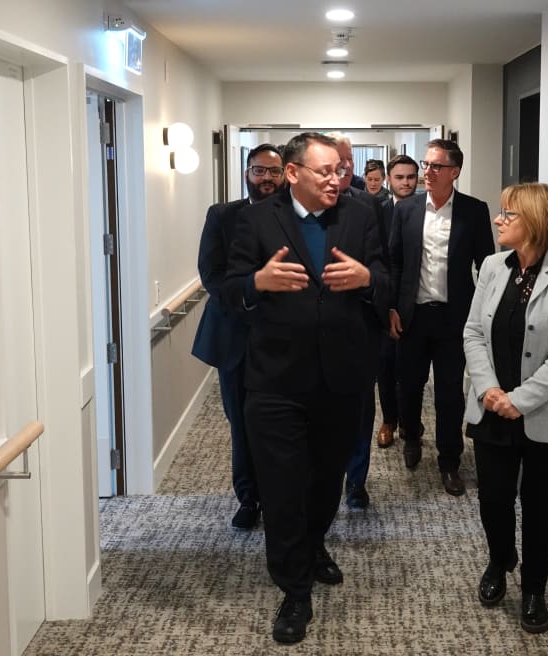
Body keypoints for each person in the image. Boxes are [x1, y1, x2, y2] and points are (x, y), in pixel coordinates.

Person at [223, 132, 388, 644]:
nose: (337, 179)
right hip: (275, 381)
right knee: (282, 485)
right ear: (292, 173)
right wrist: (257, 284)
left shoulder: (361, 215)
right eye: (324, 172)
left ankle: (315, 544)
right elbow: (227, 290)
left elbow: (387, 276)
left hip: (341, 377)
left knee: (325, 480)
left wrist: (366, 277)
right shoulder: (253, 219)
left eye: (339, 171)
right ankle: (294, 590)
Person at [462, 182, 548, 634]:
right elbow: (473, 332)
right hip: (491, 407)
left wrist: (519, 400)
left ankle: (534, 589)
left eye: (508, 214)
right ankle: (500, 561)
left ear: (534, 222)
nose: (498, 220)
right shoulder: (494, 267)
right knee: (493, 498)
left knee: (538, 504)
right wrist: (489, 390)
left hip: (547, 414)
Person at [388, 139, 494, 496]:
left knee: (450, 393)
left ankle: (449, 460)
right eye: (426, 164)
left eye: (435, 166)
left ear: (455, 172)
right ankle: (412, 436)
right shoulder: (406, 210)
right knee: (410, 384)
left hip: (455, 318)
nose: (426, 172)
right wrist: (392, 307)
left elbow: (487, 267)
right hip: (412, 315)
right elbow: (394, 261)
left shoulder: (473, 211)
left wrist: (480, 316)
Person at [191, 143, 285, 529]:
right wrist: (248, 303)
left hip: (284, 339)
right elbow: (210, 273)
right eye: (259, 170)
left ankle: (281, 496)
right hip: (234, 338)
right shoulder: (222, 215)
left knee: (282, 424)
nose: (266, 178)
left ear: (285, 175)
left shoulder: (296, 218)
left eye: (273, 172)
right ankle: (249, 499)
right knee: (241, 424)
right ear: (247, 173)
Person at [327, 135, 391, 511]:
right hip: (310, 337)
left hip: (358, 330)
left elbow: (383, 265)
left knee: (361, 413)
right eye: (338, 162)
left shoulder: (368, 206)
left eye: (349, 161)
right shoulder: (287, 212)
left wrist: (367, 278)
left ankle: (357, 482)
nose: (345, 168)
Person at [373, 154, 419, 448]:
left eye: (410, 177)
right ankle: (389, 420)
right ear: (389, 179)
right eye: (399, 177)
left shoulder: (427, 210)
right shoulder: (374, 209)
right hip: (383, 300)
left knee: (412, 368)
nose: (405, 182)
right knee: (386, 365)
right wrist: (386, 305)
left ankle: (410, 419)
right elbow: (378, 259)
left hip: (417, 301)